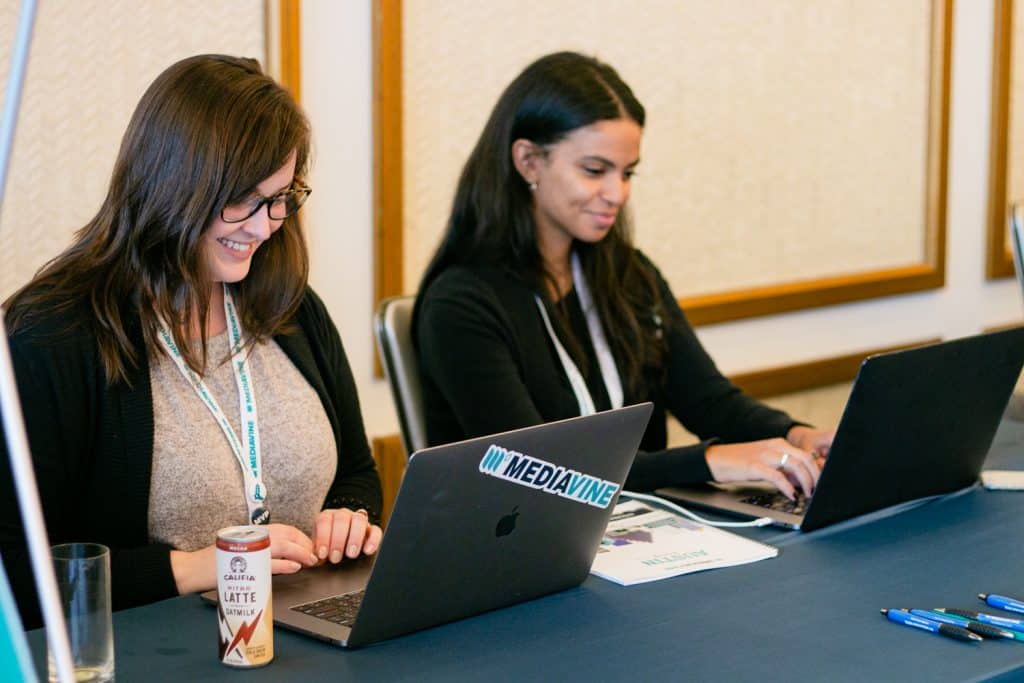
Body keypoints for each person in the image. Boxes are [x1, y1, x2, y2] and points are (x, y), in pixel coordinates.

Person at [0, 55, 383, 628]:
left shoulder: (289, 306)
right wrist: (202, 566)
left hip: (304, 632)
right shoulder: (53, 335)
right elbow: (17, 582)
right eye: (243, 201)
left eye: (281, 198)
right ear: (173, 184)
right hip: (157, 648)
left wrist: (349, 515)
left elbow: (356, 470)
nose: (264, 226)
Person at [414, 51, 835, 501]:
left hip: (641, 526)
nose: (617, 194)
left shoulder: (628, 275)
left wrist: (795, 436)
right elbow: (536, 470)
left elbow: (709, 401)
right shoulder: (461, 303)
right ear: (529, 162)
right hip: (524, 544)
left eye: (627, 173)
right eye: (594, 171)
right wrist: (711, 461)